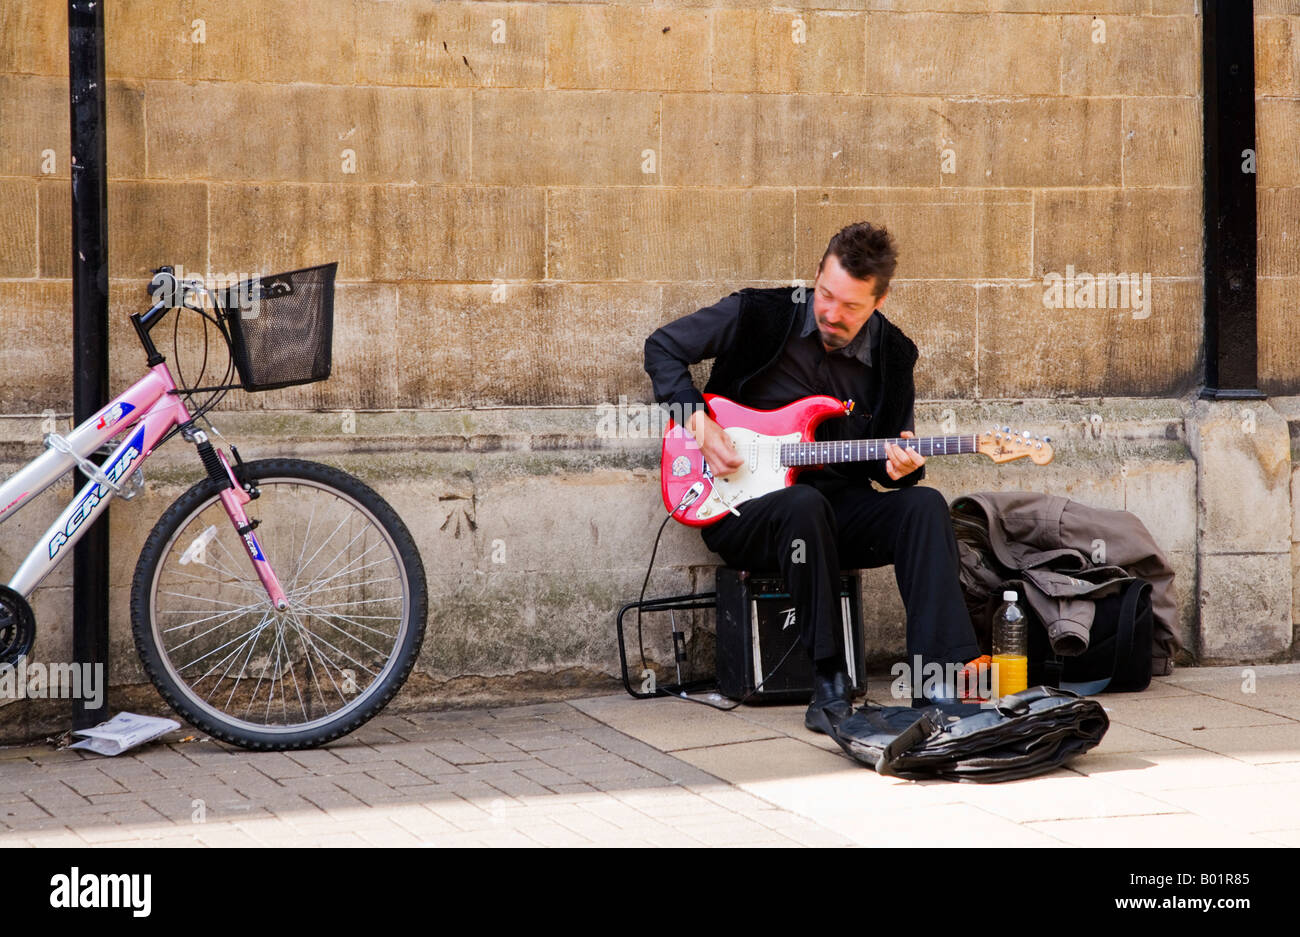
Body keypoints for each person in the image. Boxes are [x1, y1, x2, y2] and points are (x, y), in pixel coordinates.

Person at [643, 221, 981, 734]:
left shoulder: (894, 355)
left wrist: (902, 470)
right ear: (817, 277)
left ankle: (944, 680)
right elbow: (662, 347)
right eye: (826, 295)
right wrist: (700, 425)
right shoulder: (759, 314)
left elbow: (885, 460)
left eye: (850, 306)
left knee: (925, 506)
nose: (831, 313)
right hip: (743, 508)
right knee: (802, 505)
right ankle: (828, 686)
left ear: (879, 301)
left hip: (837, 510)